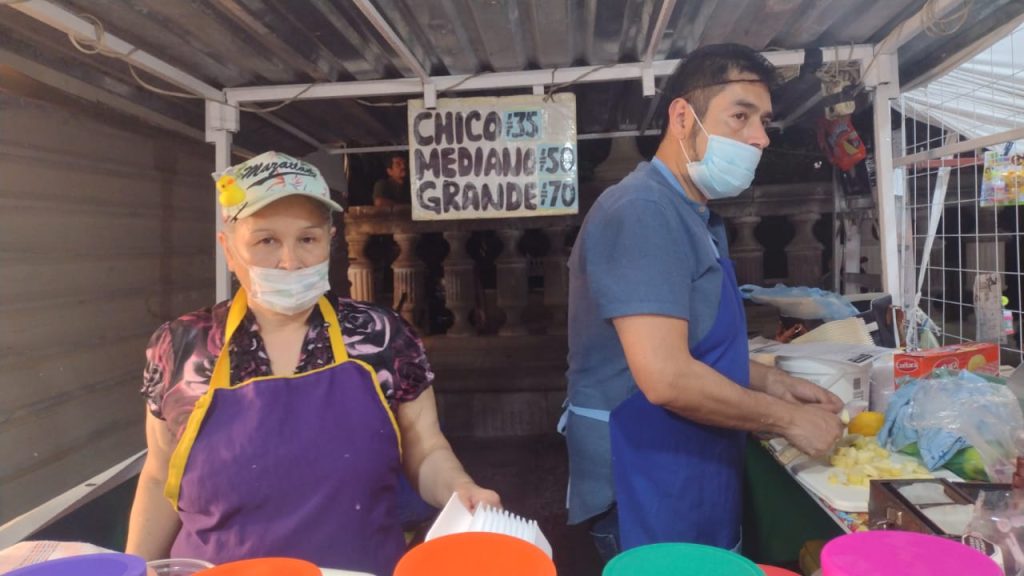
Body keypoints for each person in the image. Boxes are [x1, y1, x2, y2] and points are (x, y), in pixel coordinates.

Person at [126, 151, 499, 575]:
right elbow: (159, 477)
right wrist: (131, 568)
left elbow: (427, 449)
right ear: (229, 249)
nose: (290, 261)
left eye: (307, 239)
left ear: (330, 240)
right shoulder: (181, 348)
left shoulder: (382, 337)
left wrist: (460, 487)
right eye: (266, 241)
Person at [562, 44, 845, 561]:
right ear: (681, 117)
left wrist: (777, 383)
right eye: (740, 116)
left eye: (763, 121)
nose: (759, 137)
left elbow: (695, 345)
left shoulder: (690, 213)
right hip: (644, 468)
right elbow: (667, 376)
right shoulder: (642, 212)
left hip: (686, 462)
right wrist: (787, 420)